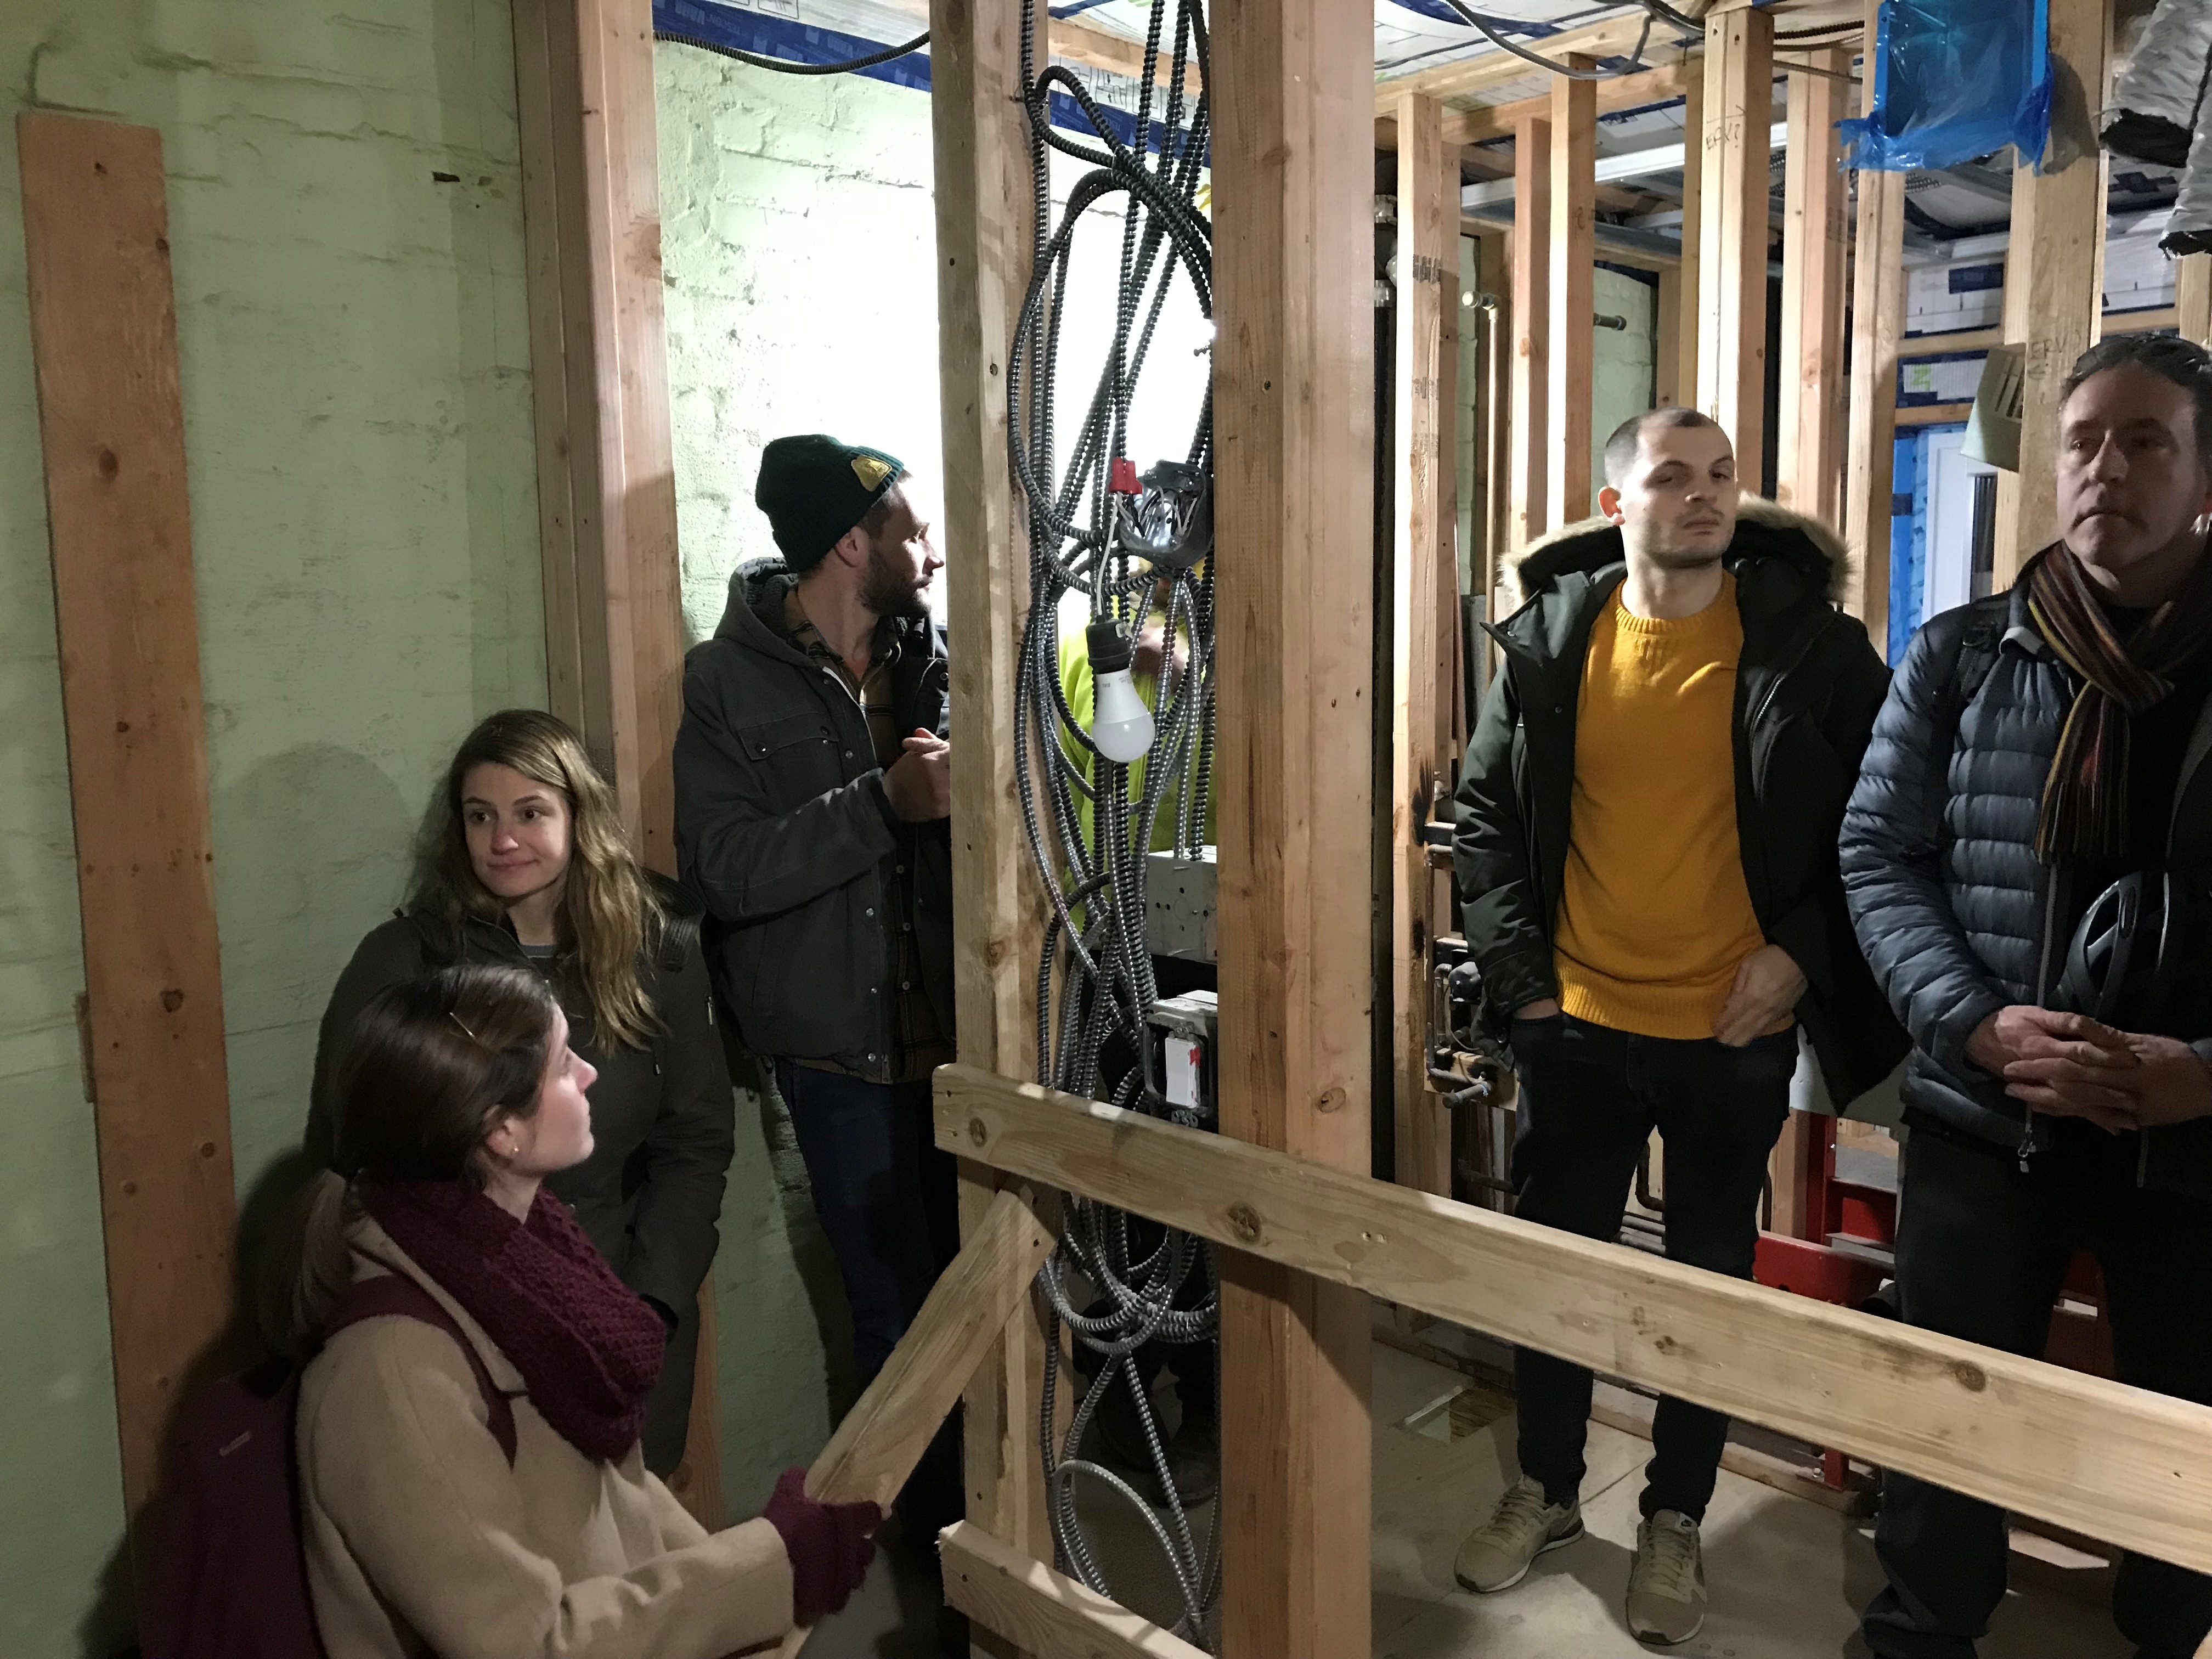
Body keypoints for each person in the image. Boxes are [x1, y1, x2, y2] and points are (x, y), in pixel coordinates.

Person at [1451, 407, 1906, 1644]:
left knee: (1708, 1279)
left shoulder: (1814, 645)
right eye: (1670, 477)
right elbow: (1484, 816)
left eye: (1721, 477)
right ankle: (1546, 1488)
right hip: (1579, 1025)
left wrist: (1799, 963)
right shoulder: (1554, 641)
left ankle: (1676, 1516)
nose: (1702, 497)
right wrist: (1525, 987)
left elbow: (1882, 824)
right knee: (1562, 1272)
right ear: (1619, 506)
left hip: (1730, 1027)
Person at [1842, 334, 2212, 1659]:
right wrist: (1974, 1025)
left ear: (2204, 471)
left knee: (2189, 1452)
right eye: (2085, 442)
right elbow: (1879, 855)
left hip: (2188, 1151)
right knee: (1948, 1429)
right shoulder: (1963, 655)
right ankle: (1921, 1638)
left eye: (2148, 440)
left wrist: (2201, 1075)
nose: (2107, 467)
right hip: (1983, 1124)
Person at [284, 963, 878, 1658]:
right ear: (501, 1129)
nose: (590, 1075)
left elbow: (616, 1496)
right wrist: (773, 1565)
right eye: (565, 1063)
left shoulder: (526, 1268)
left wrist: (765, 1567)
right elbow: (527, 1646)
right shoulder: (391, 1377)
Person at [672, 436, 963, 1572]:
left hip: (959, 1051)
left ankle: (998, 1550)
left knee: (991, 1313)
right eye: (911, 527)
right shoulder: (727, 682)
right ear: (852, 542)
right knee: (898, 1333)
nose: (930, 549)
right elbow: (728, 871)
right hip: (839, 1068)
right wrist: (883, 802)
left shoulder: (934, 657)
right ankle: (939, 1586)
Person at [306, 708, 734, 1476]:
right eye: (481, 817)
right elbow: (349, 1154)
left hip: (620, 1296)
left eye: (530, 812)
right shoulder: (406, 963)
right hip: (466, 1313)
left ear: (578, 815)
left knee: (629, 1545)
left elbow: (695, 1142)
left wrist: (654, 1302)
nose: (502, 841)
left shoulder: (657, 947)